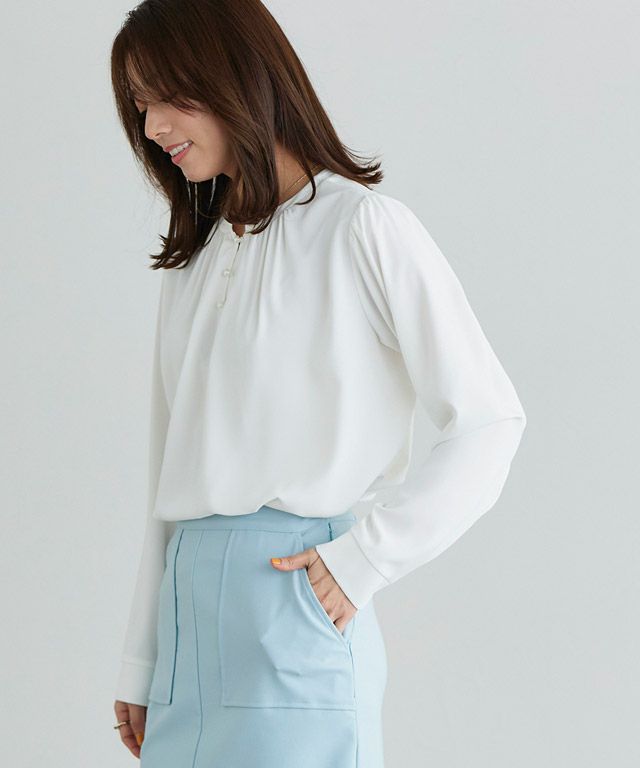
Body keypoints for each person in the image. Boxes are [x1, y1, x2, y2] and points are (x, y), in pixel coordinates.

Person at [110, 0, 527, 765]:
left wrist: (366, 560)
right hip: (185, 624)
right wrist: (143, 658)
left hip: (293, 601)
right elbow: (164, 474)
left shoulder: (361, 227)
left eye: (169, 97)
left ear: (236, 75)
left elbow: (490, 419)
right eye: (140, 105)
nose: (153, 126)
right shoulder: (193, 263)